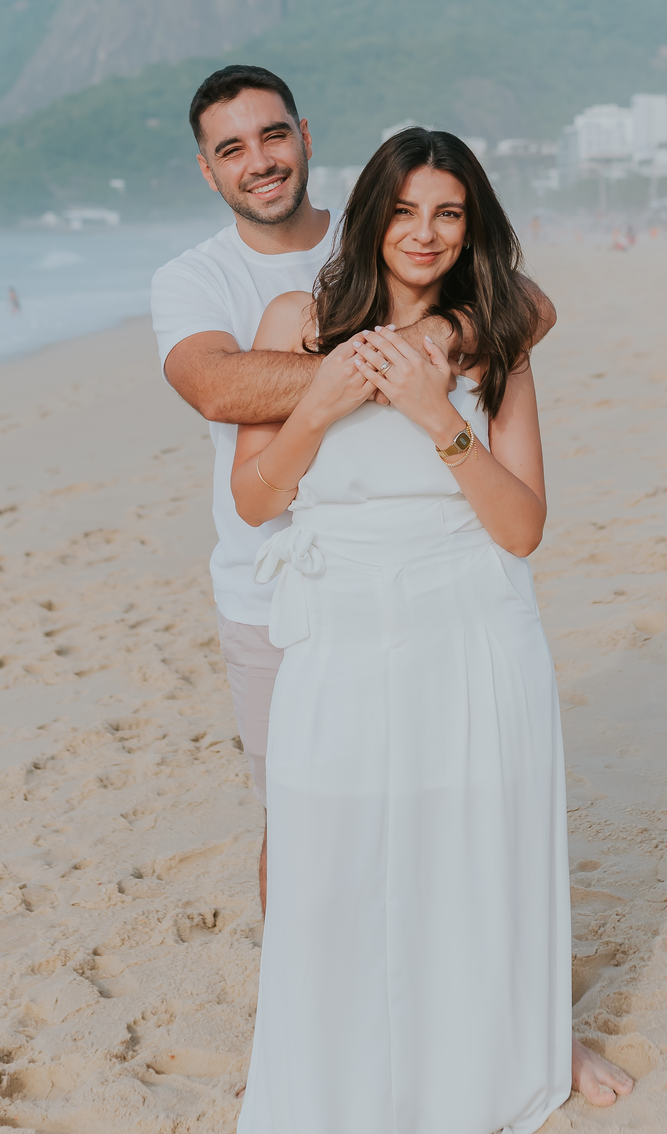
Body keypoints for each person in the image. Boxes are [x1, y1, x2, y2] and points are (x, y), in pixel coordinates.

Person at [228, 128, 633, 1134]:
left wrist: (432, 416)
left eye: (448, 213)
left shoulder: (494, 338)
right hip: (345, 626)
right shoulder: (297, 323)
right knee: (338, 858)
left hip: (470, 618)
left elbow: (523, 527)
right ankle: (344, 1083)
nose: (424, 233)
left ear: (472, 226)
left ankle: (521, 1056)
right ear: (371, 213)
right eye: (405, 211)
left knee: (475, 848)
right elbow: (257, 499)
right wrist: (318, 401)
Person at [151, 67, 557, 914]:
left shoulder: (379, 228)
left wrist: (436, 340)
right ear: (208, 168)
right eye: (232, 148)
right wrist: (350, 375)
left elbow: (525, 304)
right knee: (302, 825)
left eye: (272, 136)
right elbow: (218, 390)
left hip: (448, 599)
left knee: (453, 825)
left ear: (305, 134)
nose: (258, 160)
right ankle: (307, 1017)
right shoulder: (201, 280)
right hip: (279, 589)